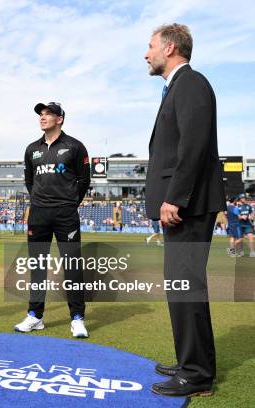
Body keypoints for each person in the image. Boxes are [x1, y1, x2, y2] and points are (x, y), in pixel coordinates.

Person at [144, 24, 225, 397]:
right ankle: (192, 361)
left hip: (187, 207)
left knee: (185, 286)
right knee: (182, 287)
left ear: (170, 48)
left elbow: (192, 144)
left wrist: (175, 197)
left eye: (151, 47)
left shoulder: (190, 83)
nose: (147, 54)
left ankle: (196, 374)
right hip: (185, 206)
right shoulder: (177, 87)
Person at [16, 101, 91, 338]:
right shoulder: (31, 149)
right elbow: (30, 181)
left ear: (60, 119)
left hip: (65, 214)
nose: (42, 117)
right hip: (38, 214)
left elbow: (84, 180)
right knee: (37, 267)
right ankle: (35, 316)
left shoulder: (75, 147)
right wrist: (40, 201)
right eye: (41, 114)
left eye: (48, 114)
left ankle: (77, 318)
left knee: (71, 266)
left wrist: (68, 203)